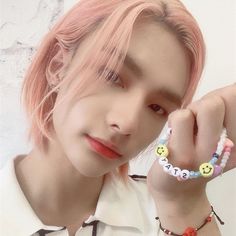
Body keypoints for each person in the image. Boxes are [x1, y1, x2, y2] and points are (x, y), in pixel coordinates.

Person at [0, 0, 235, 235]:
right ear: (58, 65)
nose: (126, 123)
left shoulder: (167, 216)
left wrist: (183, 203)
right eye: (111, 75)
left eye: (156, 107)